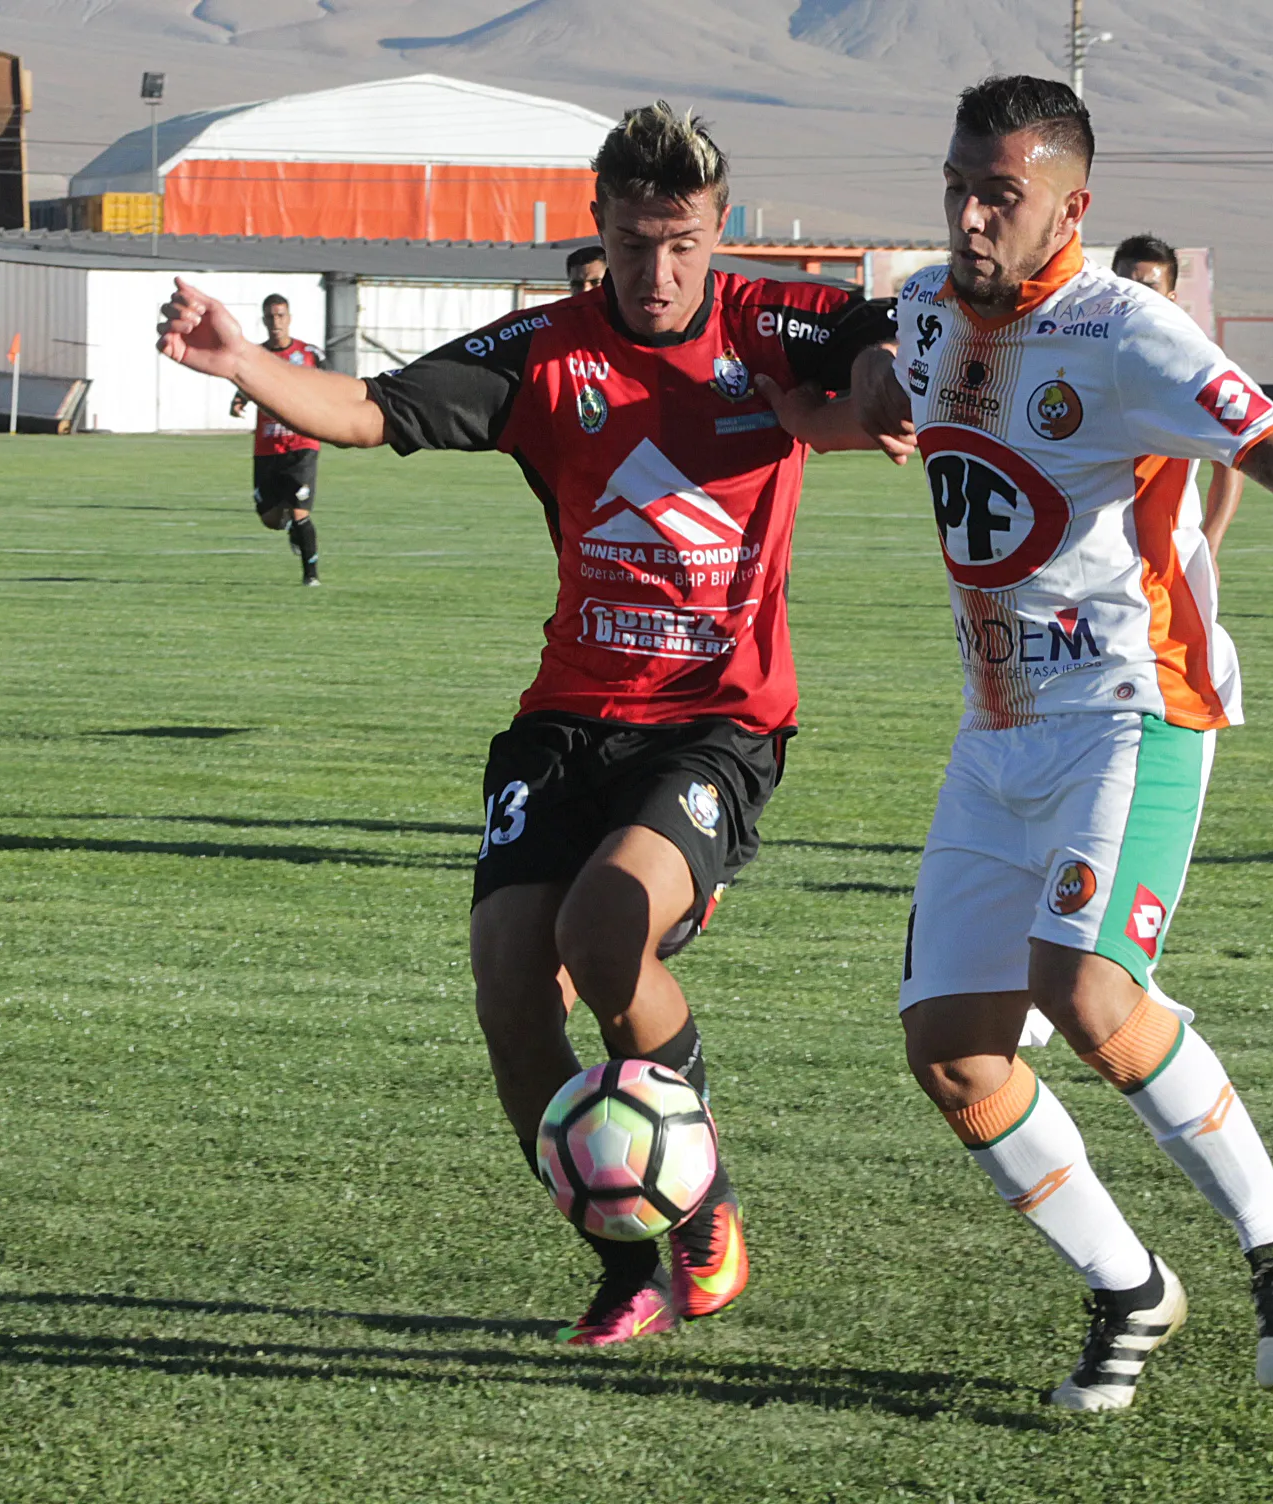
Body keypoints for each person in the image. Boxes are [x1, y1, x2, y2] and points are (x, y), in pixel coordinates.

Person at [155, 102, 900, 1345]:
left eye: (682, 244)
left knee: (603, 928)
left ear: (719, 231)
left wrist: (875, 382)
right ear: (598, 227)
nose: (658, 272)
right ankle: (623, 1257)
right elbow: (371, 407)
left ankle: (703, 1201)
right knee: (509, 986)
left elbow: (890, 338)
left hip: (715, 722)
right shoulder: (545, 350)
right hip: (565, 720)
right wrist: (242, 362)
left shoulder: (770, 322)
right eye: (633, 242)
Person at [838, 75, 1273, 1412]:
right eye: (958, 188)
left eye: (1001, 196)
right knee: (954, 1053)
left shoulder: (1123, 331)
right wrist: (866, 384)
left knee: (1086, 991)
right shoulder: (926, 307)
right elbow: (873, 347)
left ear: (1070, 206)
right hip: (993, 732)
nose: (971, 218)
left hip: (1133, 710)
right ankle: (1129, 1286)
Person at [1112, 233, 1247, 553]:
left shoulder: (1192, 364)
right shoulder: (1080, 353)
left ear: (1170, 297)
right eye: (1126, 285)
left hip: (1167, 553)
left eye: (1149, 288)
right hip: (1088, 551)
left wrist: (1211, 542)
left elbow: (1232, 452)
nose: (1136, 297)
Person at [227, 293, 325, 585]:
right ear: (264, 320)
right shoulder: (256, 356)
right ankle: (292, 529)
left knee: (300, 511)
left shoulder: (309, 354)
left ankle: (311, 577)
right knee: (270, 518)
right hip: (267, 446)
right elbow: (245, 384)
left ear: (289, 318)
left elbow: (332, 384)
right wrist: (239, 400)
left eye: (281, 316)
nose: (276, 322)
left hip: (302, 445)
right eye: (270, 317)